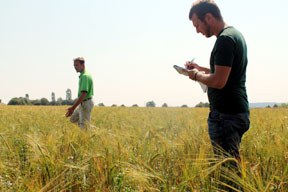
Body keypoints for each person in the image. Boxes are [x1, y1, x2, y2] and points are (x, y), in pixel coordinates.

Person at [186, 0, 250, 164]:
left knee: (228, 174)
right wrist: (200, 69)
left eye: (197, 25)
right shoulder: (234, 35)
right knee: (231, 167)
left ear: (208, 17)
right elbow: (224, 74)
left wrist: (195, 75)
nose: (197, 31)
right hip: (235, 112)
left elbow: (219, 81)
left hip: (226, 116)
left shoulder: (224, 40)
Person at [66, 57, 94, 129]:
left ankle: (88, 129)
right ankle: (88, 127)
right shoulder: (83, 75)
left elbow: (83, 94)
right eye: (74, 65)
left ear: (83, 64)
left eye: (77, 65)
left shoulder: (85, 76)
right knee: (73, 119)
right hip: (82, 103)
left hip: (85, 103)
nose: (75, 67)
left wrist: (73, 107)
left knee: (84, 128)